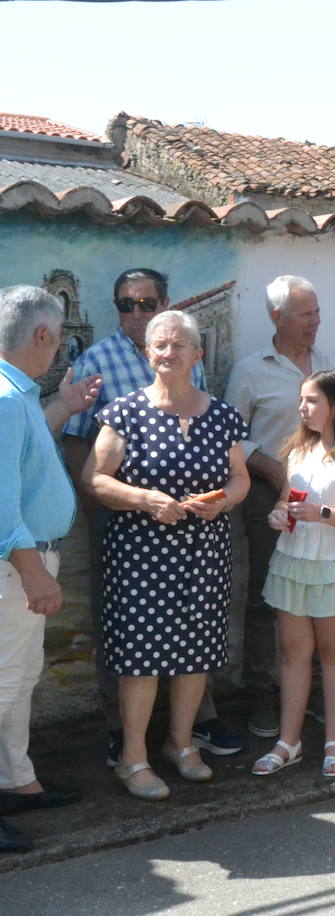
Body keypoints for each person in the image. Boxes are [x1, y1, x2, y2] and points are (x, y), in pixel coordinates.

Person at [61, 269, 238, 764]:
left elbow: (223, 457)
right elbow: (79, 446)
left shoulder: (197, 373)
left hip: (197, 537)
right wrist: (114, 501)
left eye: (146, 303)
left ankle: (191, 732)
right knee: (126, 634)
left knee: (194, 635)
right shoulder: (97, 362)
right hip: (128, 528)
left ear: (164, 303)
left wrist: (221, 497)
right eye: (125, 304)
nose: (136, 313)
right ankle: (125, 738)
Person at [0, 285, 100, 852]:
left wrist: (65, 405)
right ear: (44, 335)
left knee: (19, 678)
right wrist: (33, 569)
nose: (57, 347)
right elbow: (0, 498)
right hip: (18, 564)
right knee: (4, 682)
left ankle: (17, 781)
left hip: (24, 561)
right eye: (57, 338)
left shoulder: (16, 394)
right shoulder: (7, 399)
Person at [252, 370, 335, 779]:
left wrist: (322, 514)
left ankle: (334, 741)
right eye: (302, 399)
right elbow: (287, 499)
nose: (302, 408)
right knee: (293, 653)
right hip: (295, 560)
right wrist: (279, 514)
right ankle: (288, 741)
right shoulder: (297, 450)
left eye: (311, 400)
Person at [224, 275, 332, 739]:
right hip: (269, 494)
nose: (316, 321)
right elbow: (230, 437)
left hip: (321, 497)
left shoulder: (325, 364)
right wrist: (270, 468)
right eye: (305, 313)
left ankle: (305, 693)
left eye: (316, 311)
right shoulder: (250, 370)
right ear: (277, 316)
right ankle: (261, 695)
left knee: (317, 593)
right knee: (269, 599)